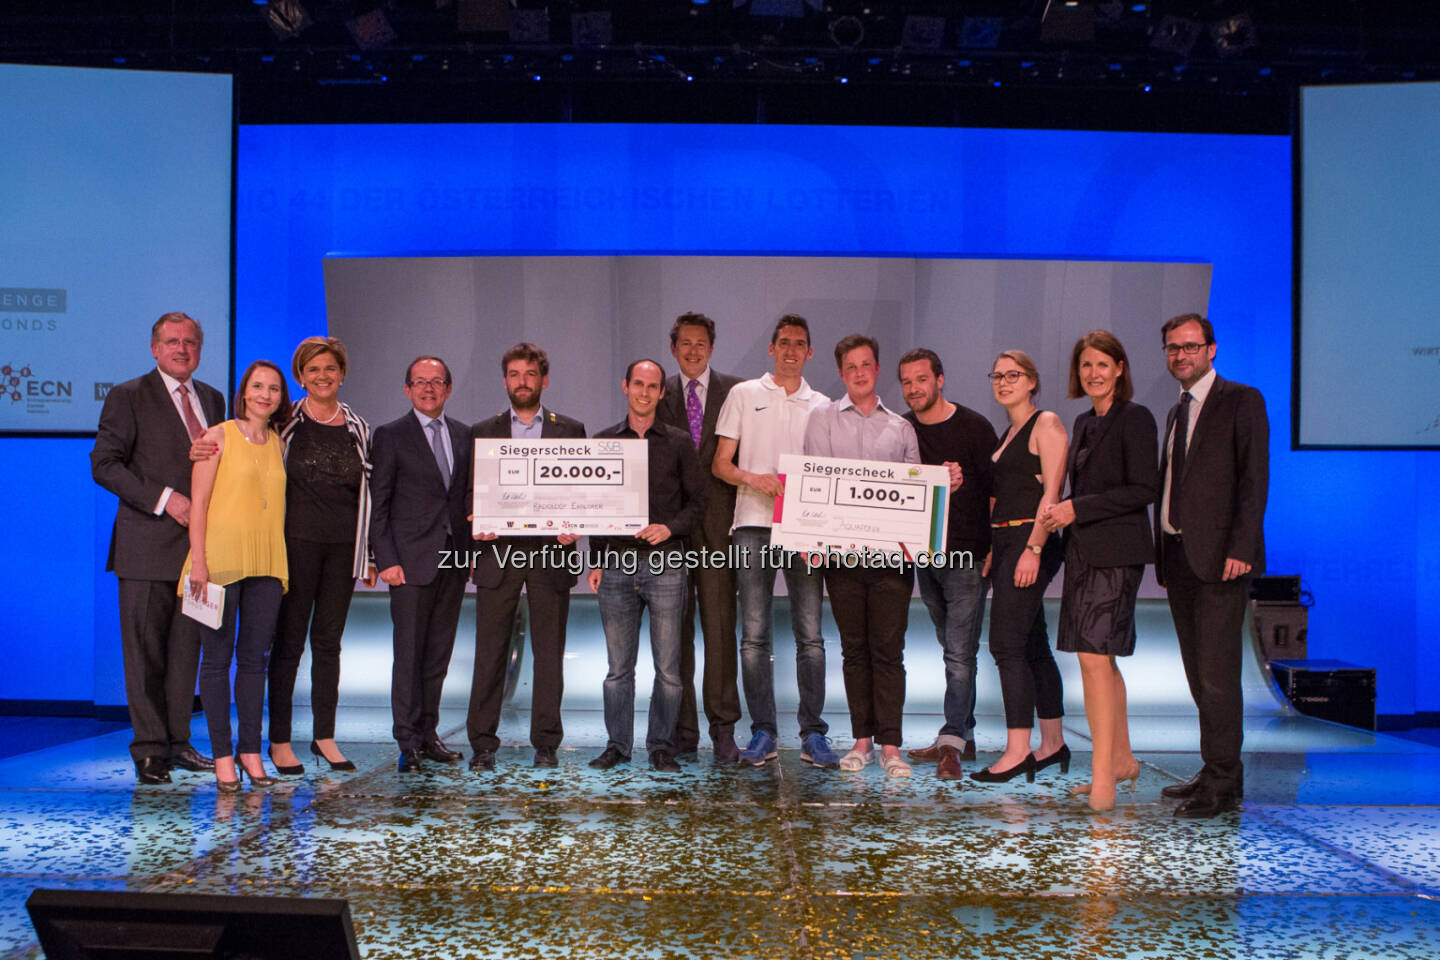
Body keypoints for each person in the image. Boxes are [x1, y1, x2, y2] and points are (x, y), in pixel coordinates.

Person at [91, 312, 225, 785]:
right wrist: (167, 500)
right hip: (146, 547)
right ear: (154, 348)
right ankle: (149, 749)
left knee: (186, 653)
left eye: (190, 342)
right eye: (172, 341)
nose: (182, 348)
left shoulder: (212, 398)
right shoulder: (128, 396)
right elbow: (104, 465)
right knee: (145, 654)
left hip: (198, 553)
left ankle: (178, 742)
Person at [1155, 313, 1268, 819]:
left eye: (1190, 346)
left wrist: (1241, 548)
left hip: (1223, 560)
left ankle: (1222, 783)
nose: (1181, 355)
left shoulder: (1242, 400)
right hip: (1179, 558)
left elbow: (1253, 483)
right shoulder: (1176, 410)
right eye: (1173, 348)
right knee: (1199, 675)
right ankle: (1218, 769)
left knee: (1219, 677)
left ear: (1212, 349)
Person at [1039, 331, 1158, 812]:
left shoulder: (1137, 418)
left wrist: (1076, 507)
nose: (1093, 373)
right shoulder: (1084, 422)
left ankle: (1102, 773)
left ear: (1120, 368)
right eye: (1086, 365)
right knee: (1101, 659)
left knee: (1092, 658)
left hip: (1118, 553)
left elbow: (1143, 488)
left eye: (1102, 364)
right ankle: (1122, 758)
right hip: (1083, 554)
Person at [712, 315, 836, 768]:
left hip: (805, 529)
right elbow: (720, 464)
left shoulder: (823, 404)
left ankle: (813, 734)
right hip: (752, 523)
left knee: (811, 636)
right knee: (754, 635)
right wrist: (754, 479)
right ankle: (762, 731)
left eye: (799, 344)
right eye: (783, 343)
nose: (790, 351)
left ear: (810, 352)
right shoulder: (744, 394)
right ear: (770, 349)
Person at [803, 335, 919, 778]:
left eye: (866, 364)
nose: (858, 372)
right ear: (841, 372)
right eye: (850, 366)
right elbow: (813, 480)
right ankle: (862, 742)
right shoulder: (822, 419)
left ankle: (891, 746)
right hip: (842, 560)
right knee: (855, 651)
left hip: (892, 561)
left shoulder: (901, 429)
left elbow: (917, 499)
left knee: (888, 651)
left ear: (877, 368)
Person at [467, 343, 585, 771]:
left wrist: (576, 523)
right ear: (505, 381)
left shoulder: (570, 430)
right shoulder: (483, 430)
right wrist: (474, 518)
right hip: (497, 554)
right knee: (490, 652)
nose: (522, 381)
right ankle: (482, 743)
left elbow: (581, 494)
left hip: (551, 555)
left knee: (549, 654)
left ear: (544, 380)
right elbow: (470, 491)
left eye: (530, 374)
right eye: (514, 374)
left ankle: (546, 744)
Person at [587, 359, 706, 773]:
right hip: (616, 564)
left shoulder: (677, 443)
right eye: (637, 383)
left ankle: (660, 746)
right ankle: (617, 746)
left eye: (652, 386)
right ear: (626, 386)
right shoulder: (603, 441)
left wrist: (669, 527)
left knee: (668, 670)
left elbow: (698, 504)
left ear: (660, 393)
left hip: (668, 563)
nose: (644, 392)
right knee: (618, 670)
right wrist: (597, 559)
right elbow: (595, 506)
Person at [182, 359, 290, 791]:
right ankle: (223, 756)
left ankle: (250, 751)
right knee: (216, 661)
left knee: (253, 662)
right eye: (258, 386)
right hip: (219, 562)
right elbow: (199, 502)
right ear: (244, 391)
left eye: (274, 389)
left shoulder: (278, 442)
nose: (265, 395)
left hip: (266, 563)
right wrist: (200, 561)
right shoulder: (217, 436)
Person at [269, 337, 375, 773]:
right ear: (300, 376)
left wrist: (367, 553)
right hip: (294, 546)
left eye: (330, 368)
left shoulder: (357, 426)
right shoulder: (284, 421)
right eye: (313, 370)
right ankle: (279, 741)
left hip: (342, 551)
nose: (322, 376)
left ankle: (324, 737)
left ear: (342, 373)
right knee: (289, 644)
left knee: (328, 644)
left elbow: (369, 494)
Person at [897, 348, 998, 780]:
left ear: (940, 379)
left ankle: (951, 742)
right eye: (906, 382)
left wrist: (995, 545)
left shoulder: (975, 427)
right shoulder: (902, 430)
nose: (913, 389)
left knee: (960, 654)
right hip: (925, 557)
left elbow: (997, 491)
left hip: (967, 556)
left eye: (921, 379)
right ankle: (964, 736)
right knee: (950, 648)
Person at [370, 356, 472, 773]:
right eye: (420, 382)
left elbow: (466, 498)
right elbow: (380, 504)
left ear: (448, 389)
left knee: (437, 655)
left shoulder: (465, 435)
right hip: (408, 564)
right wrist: (385, 559)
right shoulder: (391, 435)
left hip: (452, 561)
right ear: (408, 389)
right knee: (408, 654)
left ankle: (429, 735)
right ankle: (407, 741)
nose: (429, 388)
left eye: (437, 382)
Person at [974, 349, 1069, 784]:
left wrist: (1033, 548)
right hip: (1007, 540)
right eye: (997, 375)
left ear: (1032, 381)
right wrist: (996, 548)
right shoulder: (1006, 433)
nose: (1004, 382)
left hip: (1031, 538)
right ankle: (1053, 744)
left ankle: (1017, 750)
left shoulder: (1045, 423)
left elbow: (1053, 491)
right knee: (1033, 645)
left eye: (1013, 375)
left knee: (1005, 645)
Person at [656, 312, 743, 763]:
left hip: (721, 529)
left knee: (720, 630)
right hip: (670, 533)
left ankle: (723, 728)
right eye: (685, 343)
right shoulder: (656, 392)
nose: (693, 350)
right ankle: (681, 732)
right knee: (676, 637)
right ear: (673, 348)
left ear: (712, 347)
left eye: (701, 343)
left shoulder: (738, 391)